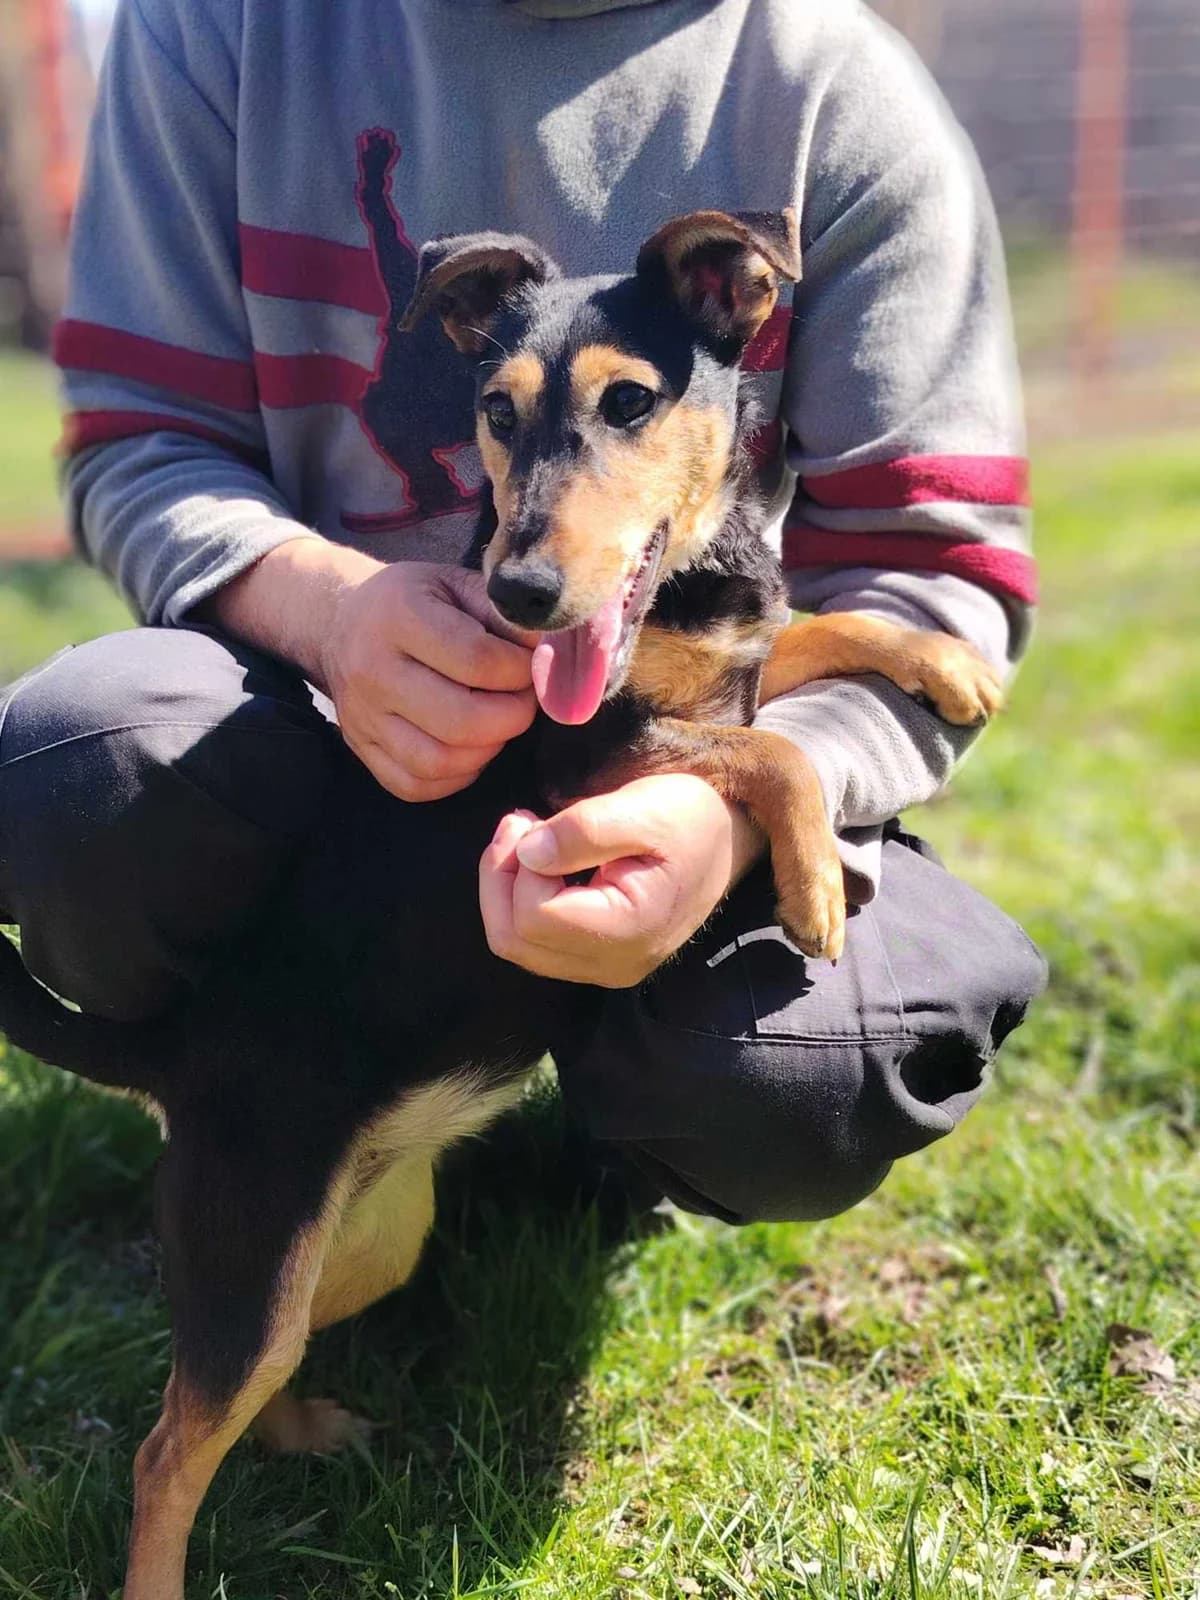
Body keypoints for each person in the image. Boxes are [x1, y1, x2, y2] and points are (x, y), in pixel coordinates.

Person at [0, 0, 1046, 1225]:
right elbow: (138, 438)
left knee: (808, 1070)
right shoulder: (219, 32)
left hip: (668, 770)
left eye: (627, 412)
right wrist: (328, 611)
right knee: (79, 766)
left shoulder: (837, 95)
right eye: (501, 418)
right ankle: (253, 1116)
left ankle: (614, 1126)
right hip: (318, 752)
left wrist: (749, 809)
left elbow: (935, 567)